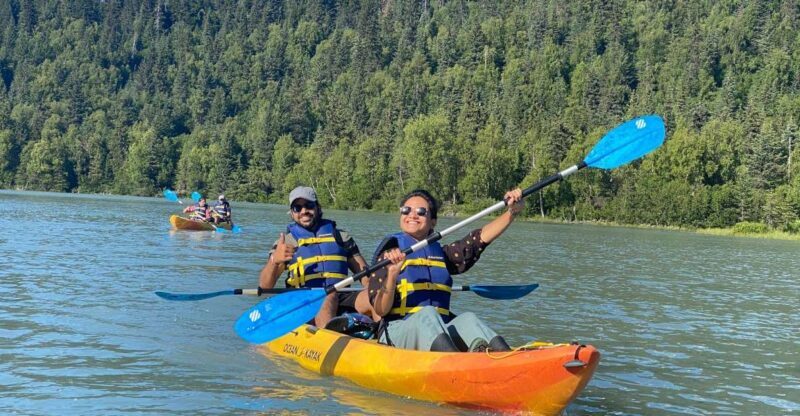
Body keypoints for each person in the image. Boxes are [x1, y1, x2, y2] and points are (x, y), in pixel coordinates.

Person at [368, 188, 524, 352]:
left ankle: (504, 357)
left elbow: (478, 240)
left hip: (439, 330)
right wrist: (392, 274)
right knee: (427, 313)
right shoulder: (387, 255)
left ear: (433, 221)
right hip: (396, 333)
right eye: (406, 210)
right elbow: (380, 310)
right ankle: (455, 363)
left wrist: (512, 212)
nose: (412, 215)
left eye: (421, 212)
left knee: (468, 319)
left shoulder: (442, 255)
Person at [258, 186, 372, 328]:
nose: (304, 211)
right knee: (325, 296)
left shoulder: (341, 237)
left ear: (317, 207)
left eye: (309, 205)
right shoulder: (286, 243)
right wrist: (275, 261)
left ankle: (385, 339)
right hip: (304, 301)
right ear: (292, 213)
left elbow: (366, 276)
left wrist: (376, 289)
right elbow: (264, 286)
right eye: (297, 208)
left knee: (374, 296)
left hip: (341, 295)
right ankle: (327, 341)